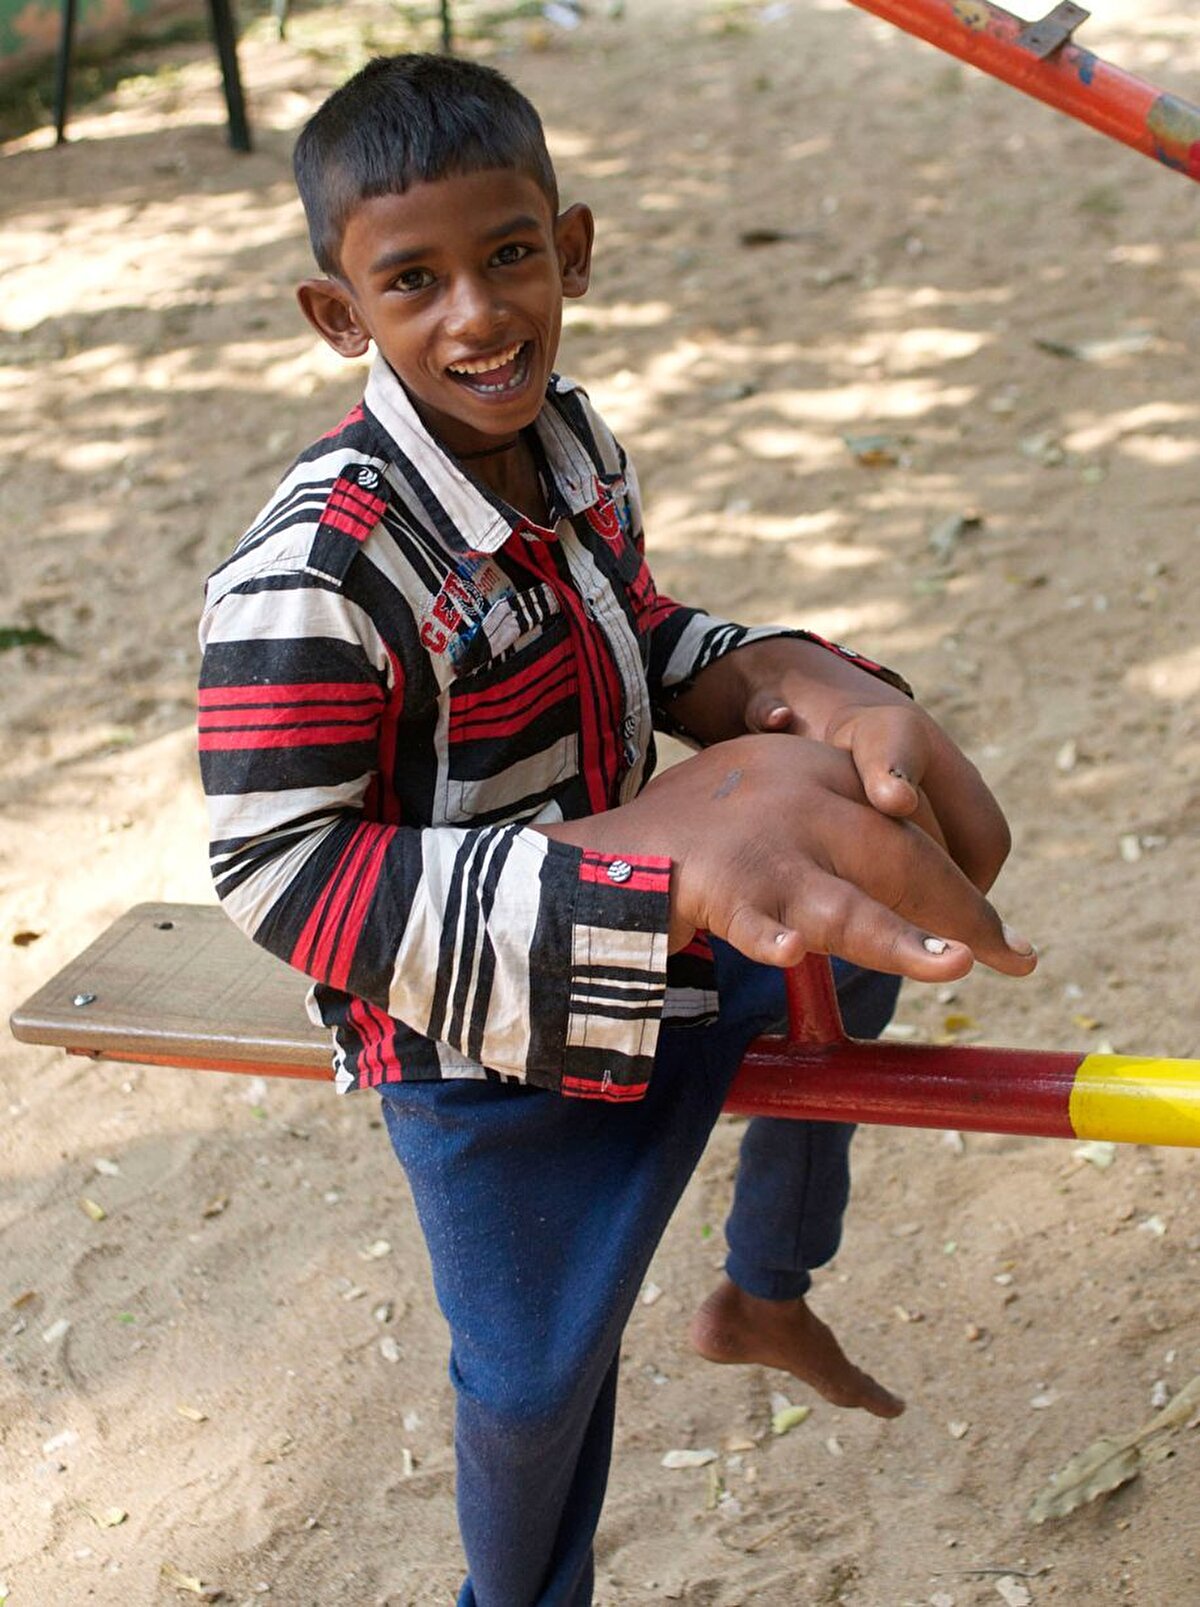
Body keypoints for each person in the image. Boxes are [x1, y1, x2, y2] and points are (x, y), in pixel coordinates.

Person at [197, 53, 1036, 1605]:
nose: (478, 314)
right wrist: (646, 862)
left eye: (510, 255)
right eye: (415, 280)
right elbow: (276, 863)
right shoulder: (313, 570)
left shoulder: (570, 444)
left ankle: (764, 1292)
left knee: (853, 931)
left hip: (657, 932)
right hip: (485, 1038)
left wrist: (798, 686)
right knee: (531, 1391)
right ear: (341, 316)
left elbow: (631, 634)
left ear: (568, 248)